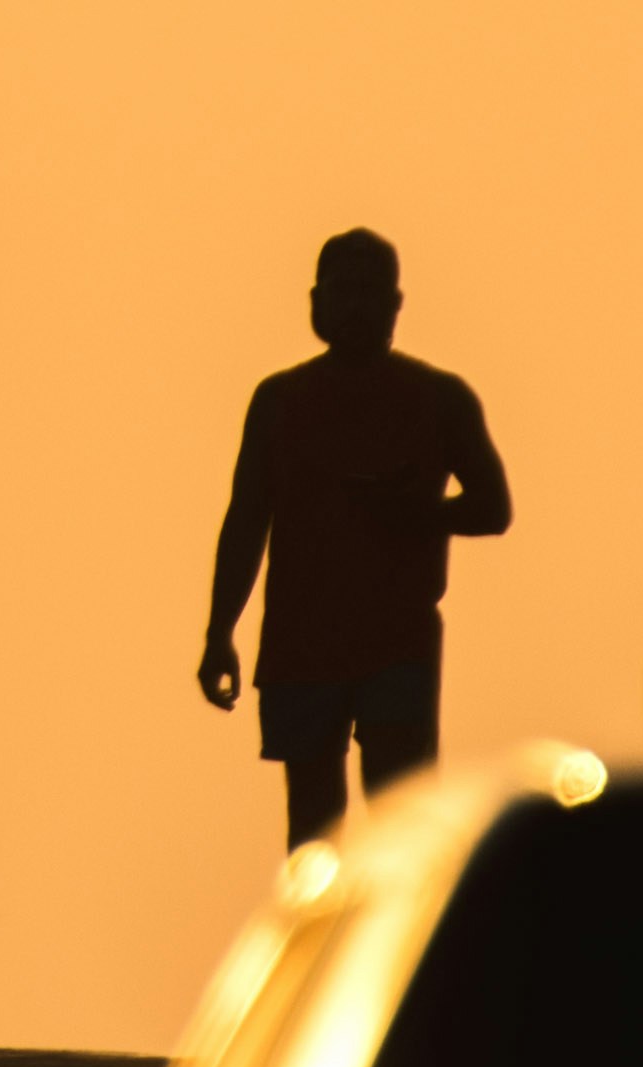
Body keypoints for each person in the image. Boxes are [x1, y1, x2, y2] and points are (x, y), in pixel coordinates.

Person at [197, 227, 516, 846]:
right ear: (317, 302)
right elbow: (247, 520)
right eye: (343, 293)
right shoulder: (280, 402)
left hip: (396, 642)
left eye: (369, 293)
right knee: (315, 829)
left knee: (401, 819)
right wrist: (218, 633)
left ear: (395, 305)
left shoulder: (438, 400)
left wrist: (418, 512)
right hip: (301, 642)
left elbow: (493, 507)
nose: (355, 308)